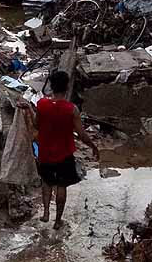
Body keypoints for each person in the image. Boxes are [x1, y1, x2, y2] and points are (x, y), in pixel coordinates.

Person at [34, 70, 98, 230]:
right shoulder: (72, 109)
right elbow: (82, 134)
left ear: (51, 86)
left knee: (47, 182)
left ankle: (46, 213)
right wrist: (93, 146)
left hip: (45, 152)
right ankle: (57, 221)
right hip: (64, 153)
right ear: (67, 86)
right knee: (61, 185)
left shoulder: (42, 105)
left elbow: (36, 125)